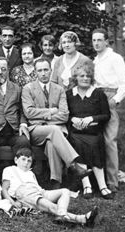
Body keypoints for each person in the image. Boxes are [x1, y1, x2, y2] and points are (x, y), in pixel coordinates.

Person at [21, 58, 92, 189]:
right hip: (37, 131)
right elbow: (29, 113)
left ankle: (56, 182)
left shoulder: (59, 89)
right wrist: (52, 111)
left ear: (51, 71)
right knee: (53, 130)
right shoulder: (28, 88)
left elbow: (64, 115)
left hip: (56, 130)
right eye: (40, 70)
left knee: (51, 144)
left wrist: (44, 117)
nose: (43, 73)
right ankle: (73, 165)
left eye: (46, 70)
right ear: (35, 72)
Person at [1, 148, 98, 227]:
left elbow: (37, 188)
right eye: (23, 159)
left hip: (39, 191)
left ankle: (62, 215)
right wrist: (13, 202)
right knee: (50, 206)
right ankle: (82, 219)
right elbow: (4, 189)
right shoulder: (10, 169)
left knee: (65, 191)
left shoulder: (30, 173)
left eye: (29, 161)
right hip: (25, 193)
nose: (26, 163)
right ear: (15, 160)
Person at [92, 28, 125, 193]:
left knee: (109, 140)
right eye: (94, 40)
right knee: (95, 139)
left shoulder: (115, 58)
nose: (96, 43)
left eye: (99, 40)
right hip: (95, 96)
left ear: (106, 41)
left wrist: (115, 100)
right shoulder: (95, 60)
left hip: (109, 96)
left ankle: (112, 182)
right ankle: (97, 180)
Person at [66, 62, 114, 199]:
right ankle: (86, 185)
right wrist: (72, 119)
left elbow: (106, 115)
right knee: (77, 143)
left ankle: (102, 185)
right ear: (76, 78)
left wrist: (91, 118)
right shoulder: (69, 94)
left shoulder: (98, 94)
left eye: (88, 76)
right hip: (76, 132)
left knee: (94, 144)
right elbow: (65, 114)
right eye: (82, 75)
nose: (85, 78)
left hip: (93, 131)